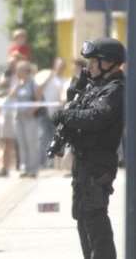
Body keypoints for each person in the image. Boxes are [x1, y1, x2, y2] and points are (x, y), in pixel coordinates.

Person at [52, 37, 125, 259]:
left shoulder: (115, 90)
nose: (89, 67)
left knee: (95, 217)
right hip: (84, 161)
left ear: (110, 63)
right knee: (82, 216)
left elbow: (96, 117)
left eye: (95, 62)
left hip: (98, 163)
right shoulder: (96, 86)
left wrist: (66, 115)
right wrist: (77, 85)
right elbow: (75, 102)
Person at [10, 61, 41, 178]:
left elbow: (39, 100)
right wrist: (17, 85)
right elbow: (11, 96)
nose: (17, 72)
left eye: (19, 70)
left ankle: (33, 168)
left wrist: (32, 110)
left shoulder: (33, 84)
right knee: (21, 144)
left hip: (30, 118)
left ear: (26, 71)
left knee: (31, 143)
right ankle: (24, 167)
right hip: (19, 118)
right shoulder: (18, 84)